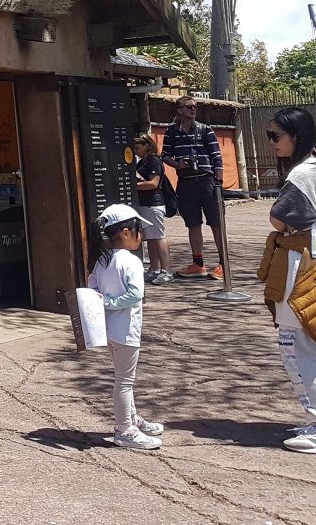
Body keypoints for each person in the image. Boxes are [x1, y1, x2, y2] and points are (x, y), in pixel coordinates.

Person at [257, 106, 316, 454]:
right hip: (314, 258)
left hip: (303, 262)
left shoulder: (302, 175)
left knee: (298, 347)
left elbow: (278, 218)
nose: (272, 143)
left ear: (296, 136)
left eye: (276, 135)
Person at [88, 203, 165, 449]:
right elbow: (135, 294)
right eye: (138, 230)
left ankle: (131, 419)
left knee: (123, 377)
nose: (141, 236)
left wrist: (103, 303)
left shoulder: (101, 261)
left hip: (108, 330)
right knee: (124, 381)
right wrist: (110, 304)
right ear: (125, 233)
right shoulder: (130, 261)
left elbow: (91, 290)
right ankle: (125, 429)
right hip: (125, 330)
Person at [162, 97, 226, 279]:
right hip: (186, 181)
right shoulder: (171, 132)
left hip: (207, 180)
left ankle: (223, 263)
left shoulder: (205, 130)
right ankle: (198, 263)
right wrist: (177, 164)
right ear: (179, 110)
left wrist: (218, 183)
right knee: (192, 223)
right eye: (189, 107)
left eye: (195, 107)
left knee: (216, 222)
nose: (193, 109)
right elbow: (165, 155)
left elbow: (217, 156)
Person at [133, 135, 173, 284]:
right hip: (144, 203)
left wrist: (134, 185)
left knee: (158, 236)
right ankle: (154, 269)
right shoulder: (143, 161)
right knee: (150, 237)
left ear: (147, 146)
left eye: (138, 148)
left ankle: (166, 270)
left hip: (153, 203)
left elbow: (153, 183)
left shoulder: (154, 161)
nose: (136, 151)